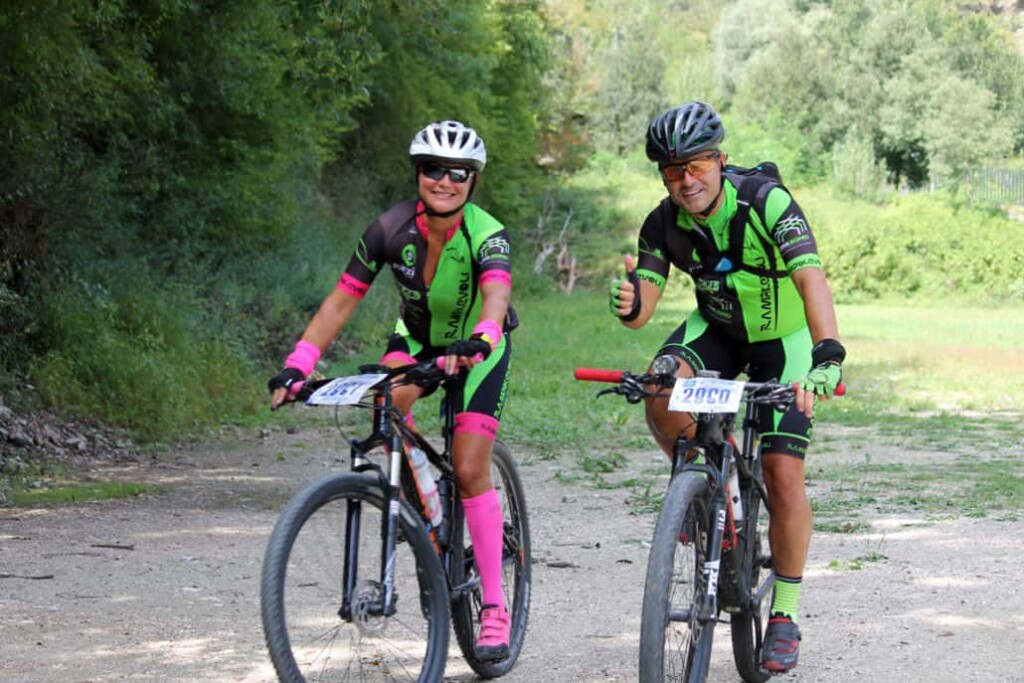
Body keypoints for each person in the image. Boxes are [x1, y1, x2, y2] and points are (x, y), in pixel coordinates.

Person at [269, 120, 517, 661]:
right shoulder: (388, 228)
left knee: (469, 466)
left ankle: (495, 608)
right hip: (418, 342)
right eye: (432, 169)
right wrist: (297, 365)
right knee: (387, 409)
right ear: (417, 173)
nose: (444, 181)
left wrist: (481, 338)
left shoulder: (487, 232)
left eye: (458, 173)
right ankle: (429, 511)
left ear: (473, 180)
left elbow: (496, 295)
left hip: (479, 347)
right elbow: (341, 300)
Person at [610, 101, 845, 673]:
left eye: (696, 165)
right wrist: (630, 304)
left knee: (783, 473)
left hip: (783, 340)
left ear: (719, 159)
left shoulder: (766, 201)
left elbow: (811, 278)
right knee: (660, 390)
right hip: (716, 331)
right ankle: (706, 484)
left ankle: (784, 614)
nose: (685, 180)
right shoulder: (661, 223)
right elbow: (643, 311)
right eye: (672, 171)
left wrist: (827, 355)